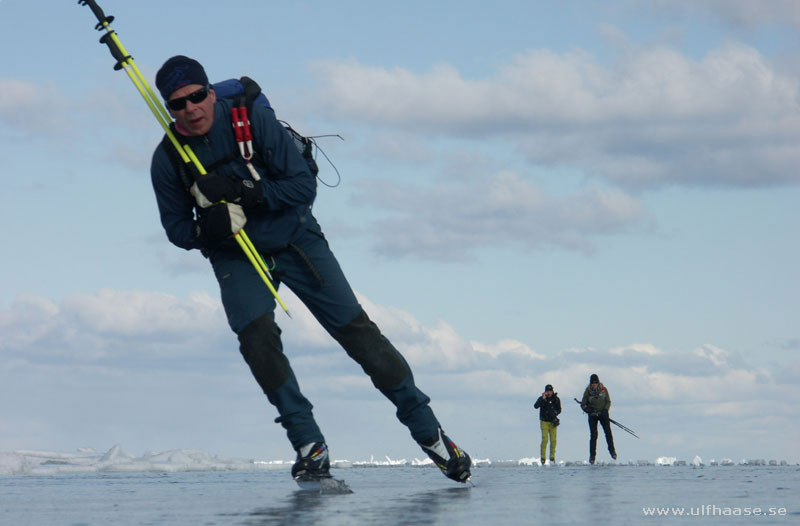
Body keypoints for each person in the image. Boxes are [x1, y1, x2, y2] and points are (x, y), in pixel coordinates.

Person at [149, 56, 471, 483]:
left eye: (195, 97)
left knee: (359, 335)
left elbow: (303, 185)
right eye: (177, 104)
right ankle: (308, 444)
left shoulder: (254, 122)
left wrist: (247, 192)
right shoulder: (169, 158)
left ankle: (430, 435)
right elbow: (176, 229)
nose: (189, 109)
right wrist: (209, 228)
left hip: (296, 240)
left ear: (210, 92)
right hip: (237, 255)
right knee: (256, 338)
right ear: (169, 109)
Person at [580, 373, 616, 464]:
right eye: (592, 382)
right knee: (593, 435)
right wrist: (589, 410)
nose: (594, 384)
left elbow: (608, 401)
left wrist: (605, 410)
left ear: (598, 382)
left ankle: (612, 452)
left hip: (603, 414)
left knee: (608, 433)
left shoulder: (604, 390)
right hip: (592, 416)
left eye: (595, 382)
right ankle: (592, 456)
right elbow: (583, 404)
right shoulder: (587, 391)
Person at [533, 384, 561, 464]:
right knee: (545, 439)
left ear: (552, 391)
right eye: (547, 391)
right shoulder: (542, 399)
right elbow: (535, 406)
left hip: (552, 422)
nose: (549, 393)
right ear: (545, 392)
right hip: (544, 421)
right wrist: (542, 399)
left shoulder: (556, 399)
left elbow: (559, 409)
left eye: (550, 391)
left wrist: (555, 413)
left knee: (553, 440)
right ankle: (543, 458)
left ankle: (552, 458)